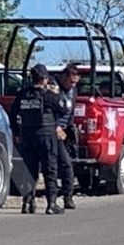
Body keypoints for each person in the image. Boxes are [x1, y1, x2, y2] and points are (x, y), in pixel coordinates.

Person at [12, 64, 70, 214]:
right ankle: (51, 204)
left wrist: (17, 133)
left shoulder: (23, 94)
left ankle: (27, 202)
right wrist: (57, 93)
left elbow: (13, 113)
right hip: (46, 136)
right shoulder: (49, 95)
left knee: (30, 170)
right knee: (50, 170)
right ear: (44, 78)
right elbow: (63, 109)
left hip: (27, 136)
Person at [52, 63, 82, 210]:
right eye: (71, 81)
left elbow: (70, 111)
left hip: (64, 131)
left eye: (75, 82)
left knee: (67, 165)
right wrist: (55, 126)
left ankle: (68, 197)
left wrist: (71, 129)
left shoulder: (73, 90)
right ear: (63, 77)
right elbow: (47, 109)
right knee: (56, 166)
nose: (72, 85)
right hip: (50, 130)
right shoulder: (52, 87)